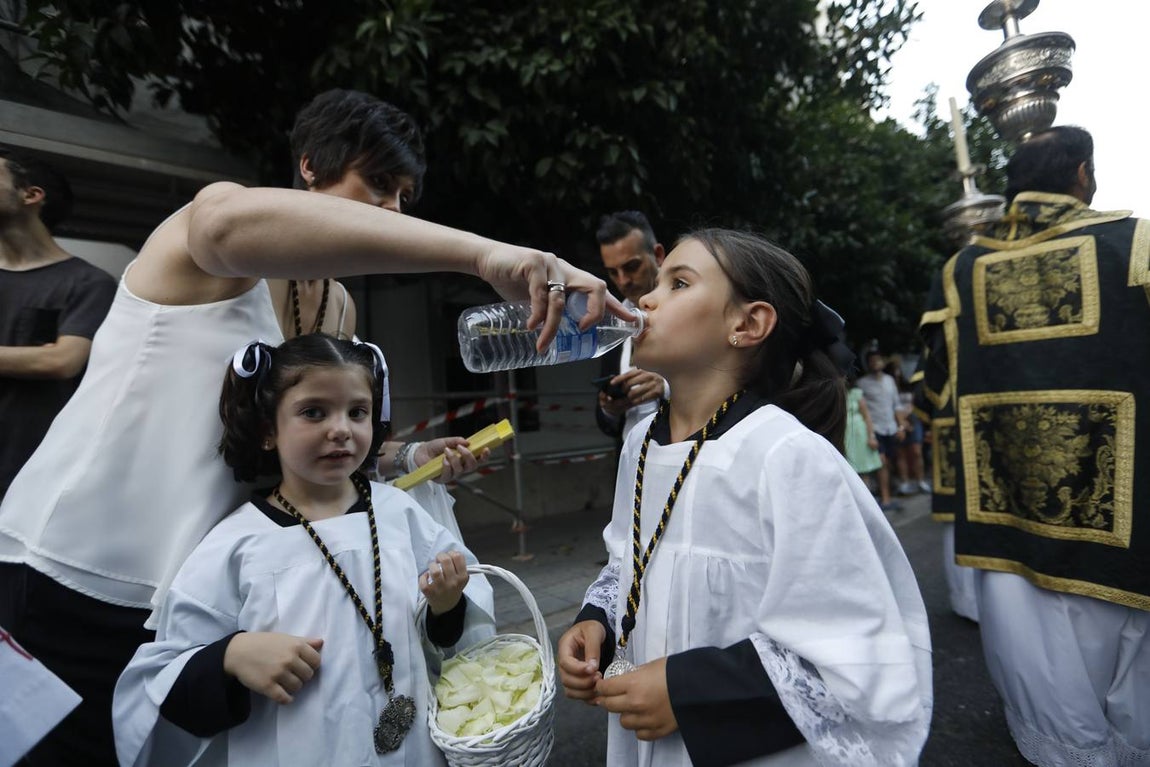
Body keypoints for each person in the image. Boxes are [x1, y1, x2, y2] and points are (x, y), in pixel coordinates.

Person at [0, 88, 615, 765]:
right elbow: (223, 220)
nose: (393, 212)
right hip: (73, 570)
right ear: (309, 169)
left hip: (194, 589)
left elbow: (315, 439)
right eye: (378, 184)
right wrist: (487, 255)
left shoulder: (338, 308)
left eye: (405, 196)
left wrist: (403, 453)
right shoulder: (204, 244)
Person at [557, 229, 932, 766]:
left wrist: (692, 690)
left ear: (748, 324)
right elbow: (626, 560)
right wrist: (597, 620)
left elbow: (854, 648)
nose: (644, 299)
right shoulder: (639, 444)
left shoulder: (786, 455)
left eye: (679, 283)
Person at [113, 334, 494, 766]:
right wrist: (230, 656)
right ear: (266, 430)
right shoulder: (235, 545)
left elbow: (463, 640)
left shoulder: (402, 515)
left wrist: (446, 608)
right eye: (314, 412)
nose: (341, 429)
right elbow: (162, 678)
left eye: (358, 412)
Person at [914, 125, 1150, 765]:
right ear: (1081, 174)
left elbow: (934, 378)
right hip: (1122, 511)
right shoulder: (1134, 243)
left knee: (1048, 685)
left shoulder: (963, 269)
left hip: (1008, 513)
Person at [0, 147, 116, 499]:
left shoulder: (89, 283)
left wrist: (46, 358)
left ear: (31, 195)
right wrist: (26, 358)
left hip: (30, 475)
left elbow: (62, 361)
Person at [594, 211, 669, 444]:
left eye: (631, 266)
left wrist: (666, 389)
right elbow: (606, 423)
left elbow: (724, 382)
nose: (623, 280)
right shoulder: (611, 323)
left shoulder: (689, 312)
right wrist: (609, 408)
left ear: (657, 255)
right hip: (629, 469)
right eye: (613, 272)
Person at [856, 346, 907, 510]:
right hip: (876, 428)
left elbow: (896, 405)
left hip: (891, 427)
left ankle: (888, 493)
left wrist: (901, 426)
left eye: (878, 360)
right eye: (872, 361)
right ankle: (885, 499)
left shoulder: (889, 380)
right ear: (868, 364)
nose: (876, 363)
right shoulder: (862, 383)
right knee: (882, 463)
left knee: (890, 461)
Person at [844, 370, 883, 481]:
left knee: (863, 466)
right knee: (849, 468)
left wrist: (871, 436)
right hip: (845, 434)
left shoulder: (856, 393)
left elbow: (867, 417)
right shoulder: (837, 393)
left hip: (860, 433)